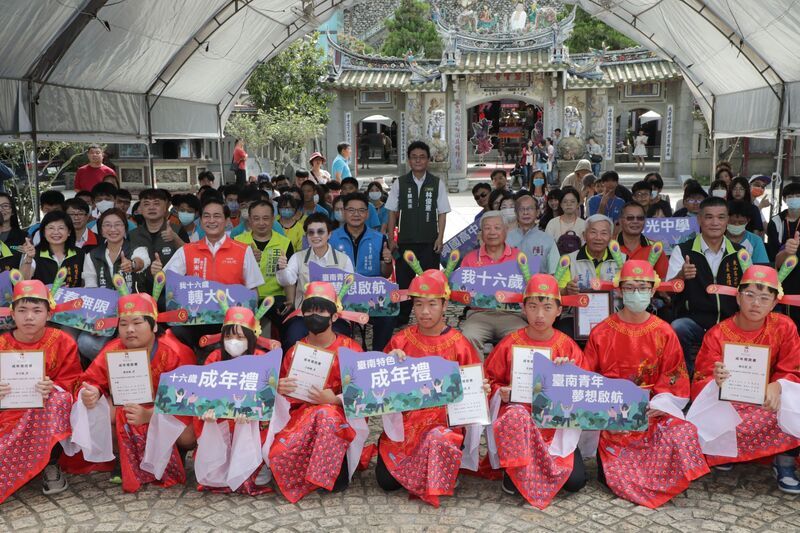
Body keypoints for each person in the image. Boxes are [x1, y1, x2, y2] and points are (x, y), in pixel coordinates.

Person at [582, 259, 708, 508]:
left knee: (685, 432)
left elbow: (675, 374)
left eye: (642, 287)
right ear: (619, 290)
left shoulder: (664, 331)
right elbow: (588, 377)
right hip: (613, 415)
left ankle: (655, 474)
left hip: (653, 410)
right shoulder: (602, 331)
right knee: (616, 467)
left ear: (652, 291)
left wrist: (661, 403)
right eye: (629, 287)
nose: (636, 293)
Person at [377, 267, 484, 507]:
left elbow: (473, 391)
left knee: (439, 439)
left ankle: (447, 459)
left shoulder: (460, 345)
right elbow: (379, 389)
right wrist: (388, 365)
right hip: (406, 427)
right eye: (419, 305)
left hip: (443, 426)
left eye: (433, 304)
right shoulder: (401, 340)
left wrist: (480, 390)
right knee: (387, 482)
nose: (425, 312)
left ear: (445, 306)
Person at [689, 264, 800, 493]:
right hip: (733, 402)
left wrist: (778, 385)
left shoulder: (784, 327)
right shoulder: (718, 334)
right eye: (749, 295)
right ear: (738, 297)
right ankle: (726, 452)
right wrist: (715, 380)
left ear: (774, 302)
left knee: (792, 399)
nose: (756, 303)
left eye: (764, 297)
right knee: (711, 412)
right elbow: (701, 377)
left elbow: (794, 367)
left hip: (769, 401)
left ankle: (784, 461)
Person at [484, 273, 587, 506]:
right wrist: (502, 392)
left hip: (554, 424)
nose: (540, 315)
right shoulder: (510, 343)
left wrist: (568, 374)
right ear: (523, 308)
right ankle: (513, 468)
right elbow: (489, 380)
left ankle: (524, 469)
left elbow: (584, 390)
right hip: (519, 424)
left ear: (559, 310)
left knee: (574, 482)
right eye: (533, 307)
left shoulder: (567, 347)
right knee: (515, 414)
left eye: (547, 307)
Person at [75, 293, 195, 492]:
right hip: (128, 409)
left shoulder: (176, 352)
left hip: (162, 412)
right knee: (95, 407)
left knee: (188, 435)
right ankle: (122, 456)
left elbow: (189, 400)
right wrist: (93, 391)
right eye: (123, 324)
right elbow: (90, 380)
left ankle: (174, 452)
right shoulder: (112, 349)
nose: (129, 330)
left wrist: (151, 414)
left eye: (137, 322)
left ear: (154, 326)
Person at [268, 282, 368, 502]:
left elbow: (366, 392)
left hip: (338, 420)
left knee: (326, 414)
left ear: (333, 316)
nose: (315, 315)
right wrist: (279, 388)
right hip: (301, 417)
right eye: (310, 310)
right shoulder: (294, 352)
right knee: (277, 455)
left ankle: (330, 469)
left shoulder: (350, 349)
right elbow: (284, 400)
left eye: (321, 311)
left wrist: (336, 399)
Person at [0, 278, 82, 501]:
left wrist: (52, 388)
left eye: (37, 310)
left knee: (58, 400)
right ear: (12, 313)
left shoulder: (63, 341)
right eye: (23, 310)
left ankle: (50, 463)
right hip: (6, 414)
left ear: (49, 313)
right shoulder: (1, 344)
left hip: (43, 412)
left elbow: (72, 383)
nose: (29, 317)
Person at [192, 305, 284, 495]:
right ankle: (223, 465)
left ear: (251, 338)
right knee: (209, 422)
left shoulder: (262, 359)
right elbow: (203, 394)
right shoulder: (214, 358)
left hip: (252, 422)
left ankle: (255, 464)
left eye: (240, 337)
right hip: (222, 420)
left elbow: (270, 398)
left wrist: (254, 413)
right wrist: (207, 413)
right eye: (229, 336)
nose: (233, 341)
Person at [163, 197, 264, 348]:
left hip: (232, 321)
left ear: (226, 220)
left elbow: (253, 290)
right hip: (196, 320)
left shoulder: (243, 250)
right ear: (200, 220)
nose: (211, 220)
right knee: (175, 334)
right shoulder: (187, 250)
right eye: (206, 216)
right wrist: (157, 272)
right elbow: (166, 280)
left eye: (217, 216)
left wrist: (246, 319)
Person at [667, 196, 744, 375]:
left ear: (727, 221)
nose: (715, 222)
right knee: (677, 327)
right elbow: (668, 290)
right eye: (709, 217)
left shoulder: (740, 253)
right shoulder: (683, 250)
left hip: (731, 323)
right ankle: (688, 377)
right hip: (695, 322)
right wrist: (681, 276)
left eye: (721, 217)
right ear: (699, 220)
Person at [386, 141, 451, 325]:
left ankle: (433, 314)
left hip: (429, 242)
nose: (418, 160)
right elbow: (392, 212)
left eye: (422, 157)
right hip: (405, 242)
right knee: (405, 282)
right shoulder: (400, 183)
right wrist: (391, 239)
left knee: (430, 280)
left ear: (428, 160)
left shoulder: (437, 183)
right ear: (409, 160)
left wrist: (440, 237)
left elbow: (442, 212)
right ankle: (403, 315)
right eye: (414, 157)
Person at [277, 213, 354, 349]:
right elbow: (287, 279)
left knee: (342, 344)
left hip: (334, 316)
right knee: (291, 339)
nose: (315, 236)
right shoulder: (298, 257)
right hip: (304, 315)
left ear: (329, 234)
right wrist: (281, 269)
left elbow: (350, 290)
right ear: (306, 236)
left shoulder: (343, 260)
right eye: (311, 232)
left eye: (320, 232)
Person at [329, 193, 395, 351]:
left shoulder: (379, 238)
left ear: (367, 213)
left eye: (361, 210)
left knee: (388, 315)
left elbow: (385, 274)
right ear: (343, 212)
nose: (356, 214)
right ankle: (343, 356)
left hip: (369, 295)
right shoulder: (331, 238)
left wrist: (387, 261)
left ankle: (378, 355)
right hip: (340, 296)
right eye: (351, 210)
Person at [460, 211, 528, 353]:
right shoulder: (470, 259)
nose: (492, 232)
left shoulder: (519, 258)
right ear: (481, 232)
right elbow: (462, 291)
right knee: (468, 336)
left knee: (522, 337)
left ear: (506, 230)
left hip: (512, 315)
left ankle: (510, 375)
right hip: (479, 315)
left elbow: (529, 288)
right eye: (487, 228)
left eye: (497, 228)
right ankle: (477, 375)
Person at [234, 200, 293, 337]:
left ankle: (283, 355)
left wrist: (290, 301)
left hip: (275, 297)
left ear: (273, 219)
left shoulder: (284, 243)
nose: (261, 223)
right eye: (256, 218)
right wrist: (246, 260)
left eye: (266, 218)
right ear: (249, 220)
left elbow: (290, 276)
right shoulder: (237, 242)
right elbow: (230, 275)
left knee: (290, 325)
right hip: (245, 297)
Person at [128, 189, 187, 296]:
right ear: (140, 209)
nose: (151, 207)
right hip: (141, 295)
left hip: (172, 295)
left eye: (156, 203)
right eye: (146, 204)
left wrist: (175, 238)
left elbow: (190, 256)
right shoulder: (133, 235)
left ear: (165, 208)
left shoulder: (177, 230)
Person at [20, 210, 84, 287]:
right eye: (51, 228)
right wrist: (29, 258)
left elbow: (86, 284)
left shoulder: (80, 254)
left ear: (69, 232)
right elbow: (23, 282)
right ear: (43, 232)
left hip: (73, 298)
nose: (56, 232)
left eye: (61, 228)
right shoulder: (35, 254)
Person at [507, 193, 559, 274]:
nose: (525, 212)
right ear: (516, 213)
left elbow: (555, 271)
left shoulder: (548, 240)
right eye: (521, 209)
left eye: (530, 208)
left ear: (537, 212)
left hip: (540, 285)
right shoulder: (506, 239)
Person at [617, 202, 668, 279]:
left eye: (640, 218)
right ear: (620, 221)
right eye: (630, 218)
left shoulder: (655, 248)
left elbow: (663, 283)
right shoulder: (610, 246)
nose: (635, 221)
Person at [726, 200, 769, 264]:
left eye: (741, 222)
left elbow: (762, 267)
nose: (736, 225)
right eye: (732, 222)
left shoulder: (755, 241)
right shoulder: (718, 239)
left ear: (748, 220)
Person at [545, 186, 585, 253]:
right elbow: (546, 247)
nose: (569, 204)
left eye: (572, 201)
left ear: (578, 204)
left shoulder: (584, 224)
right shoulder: (552, 223)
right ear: (560, 204)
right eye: (565, 201)